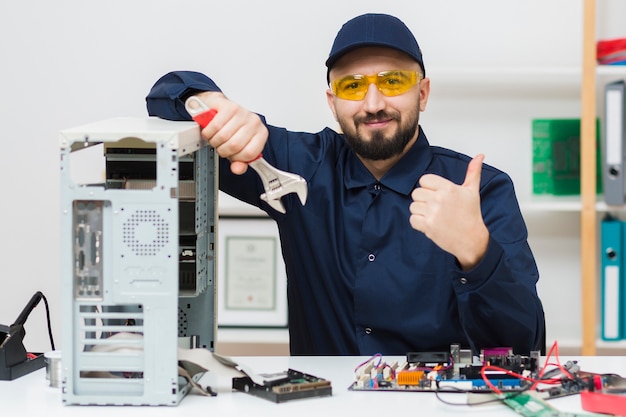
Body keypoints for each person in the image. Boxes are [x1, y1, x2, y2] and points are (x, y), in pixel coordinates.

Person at [146, 13, 545, 356]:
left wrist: (476, 252)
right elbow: (164, 98)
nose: (373, 103)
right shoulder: (295, 164)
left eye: (392, 81)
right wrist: (209, 103)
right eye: (352, 86)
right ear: (332, 101)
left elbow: (526, 346)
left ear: (422, 93)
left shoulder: (479, 192)